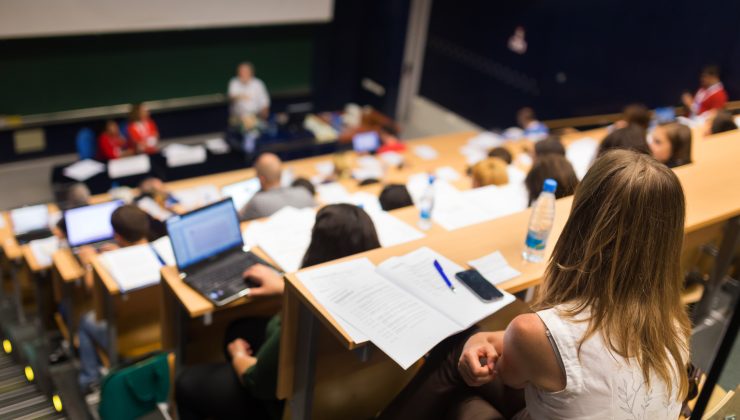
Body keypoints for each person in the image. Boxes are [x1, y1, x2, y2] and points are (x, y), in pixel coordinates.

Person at [380, 150, 690, 420]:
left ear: (581, 220)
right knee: (468, 347)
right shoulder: (675, 324)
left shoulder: (536, 333)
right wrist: (481, 340)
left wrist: (477, 343)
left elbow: (517, 364)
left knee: (463, 400)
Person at [175, 204, 381, 420]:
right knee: (238, 328)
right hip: (341, 388)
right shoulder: (363, 289)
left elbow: (258, 380)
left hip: (287, 402)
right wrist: (286, 289)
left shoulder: (306, 320)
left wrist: (239, 356)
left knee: (186, 382)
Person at [77, 205, 151, 392]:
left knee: (85, 320)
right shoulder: (161, 251)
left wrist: (89, 262)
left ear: (117, 236)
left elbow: (89, 287)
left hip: (125, 337)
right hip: (163, 330)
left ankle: (90, 379)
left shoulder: (109, 263)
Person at [239, 153, 316, 221]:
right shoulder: (304, 193)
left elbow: (238, 218)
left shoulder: (256, 202)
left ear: (261, 178)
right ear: (281, 173)